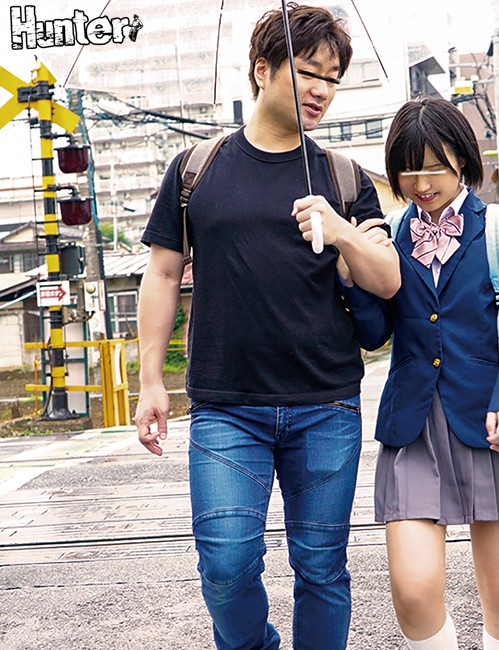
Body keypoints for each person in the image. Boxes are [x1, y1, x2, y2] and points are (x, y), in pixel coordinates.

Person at [133, 4, 400, 649]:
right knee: (225, 566)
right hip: (226, 405)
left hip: (325, 402)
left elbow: (388, 279)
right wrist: (150, 380)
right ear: (262, 70)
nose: (322, 90)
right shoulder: (196, 169)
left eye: (333, 78)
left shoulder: (343, 177)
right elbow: (162, 275)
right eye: (309, 72)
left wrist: (340, 231)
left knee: (322, 569)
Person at [342, 97, 499, 650]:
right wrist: (349, 269)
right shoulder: (388, 235)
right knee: (412, 592)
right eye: (407, 171)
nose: (421, 183)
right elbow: (374, 333)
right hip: (413, 428)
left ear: (461, 159)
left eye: (434, 167)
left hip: (490, 420)